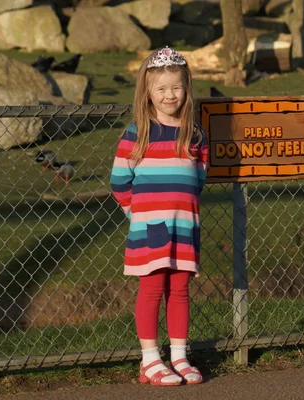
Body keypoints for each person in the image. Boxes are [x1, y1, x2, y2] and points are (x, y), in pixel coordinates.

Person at [110, 46, 209, 385]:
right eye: (162, 89)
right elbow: (119, 182)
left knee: (180, 289)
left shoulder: (195, 135)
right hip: (150, 227)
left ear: (187, 88)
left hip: (185, 225)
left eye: (177, 88)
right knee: (152, 288)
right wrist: (138, 217)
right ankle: (150, 358)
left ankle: (179, 355)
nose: (170, 95)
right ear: (148, 92)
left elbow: (197, 181)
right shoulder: (137, 133)